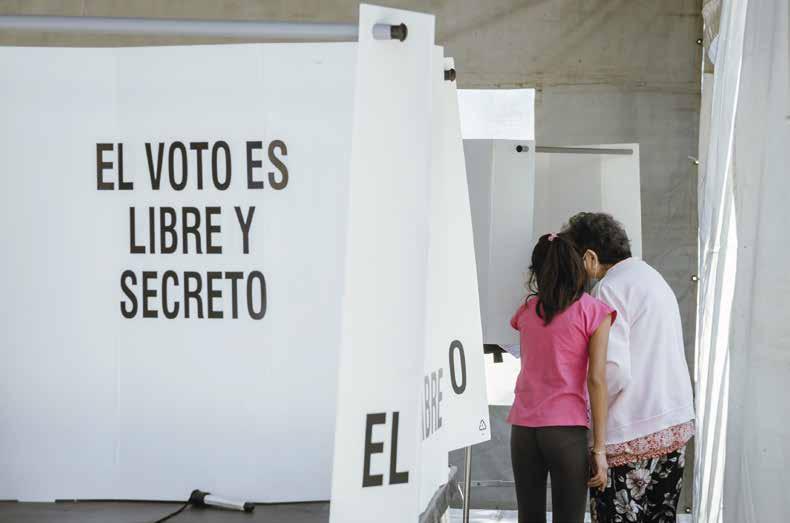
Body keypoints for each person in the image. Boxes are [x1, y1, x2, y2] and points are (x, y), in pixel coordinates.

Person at [562, 212, 695, 523]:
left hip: (630, 430)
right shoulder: (652, 277)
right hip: (674, 423)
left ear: (590, 257)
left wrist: (589, 423)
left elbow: (612, 371)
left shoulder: (608, 289)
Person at [509, 232, 616, 523]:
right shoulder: (595, 312)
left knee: (528, 518)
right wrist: (600, 449)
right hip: (565, 431)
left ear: (536, 271)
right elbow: (596, 380)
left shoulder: (526, 312)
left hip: (523, 430)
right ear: (576, 266)